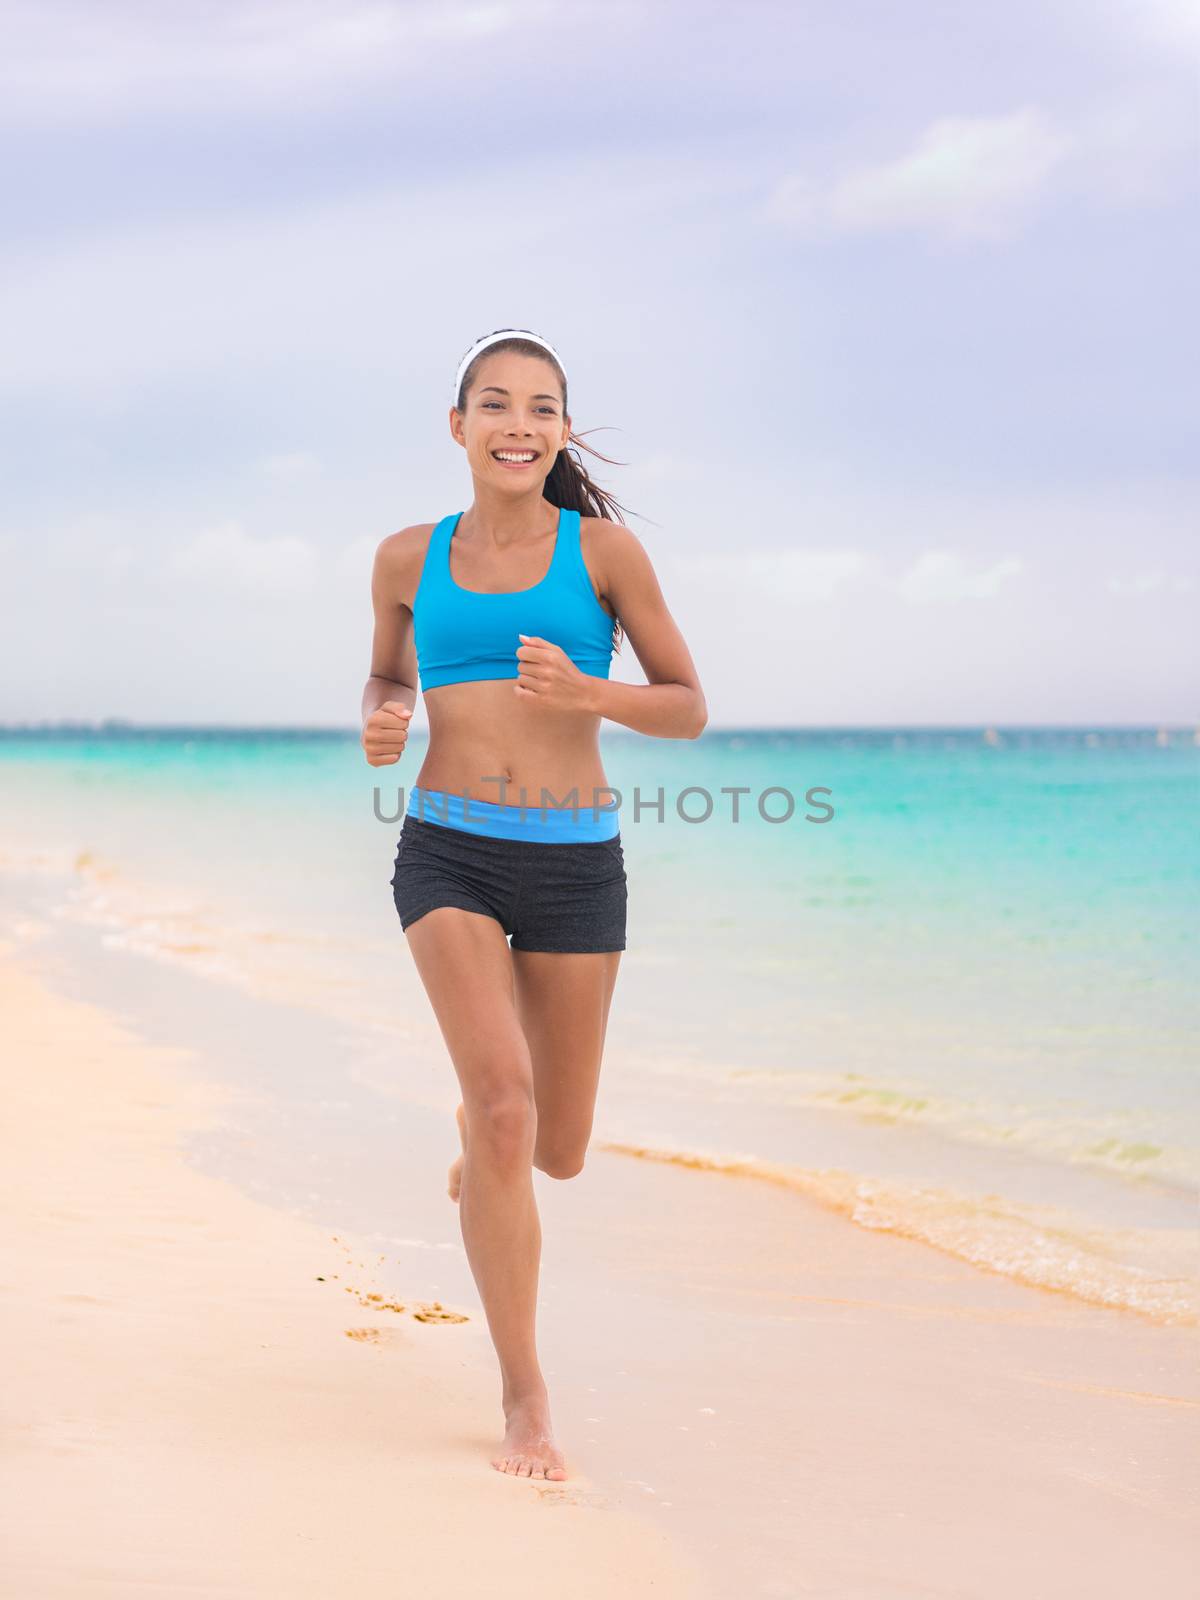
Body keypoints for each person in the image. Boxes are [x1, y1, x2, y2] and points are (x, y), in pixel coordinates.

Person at [360, 328, 707, 1482]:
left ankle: (484, 1139)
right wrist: (385, 711)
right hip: (447, 850)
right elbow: (389, 668)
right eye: (496, 404)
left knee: (553, 1149)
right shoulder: (409, 556)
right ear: (457, 427)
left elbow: (688, 704)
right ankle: (525, 1395)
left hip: (574, 864)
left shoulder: (603, 553)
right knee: (506, 1106)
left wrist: (592, 688)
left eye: (542, 407)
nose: (520, 423)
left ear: (561, 431)